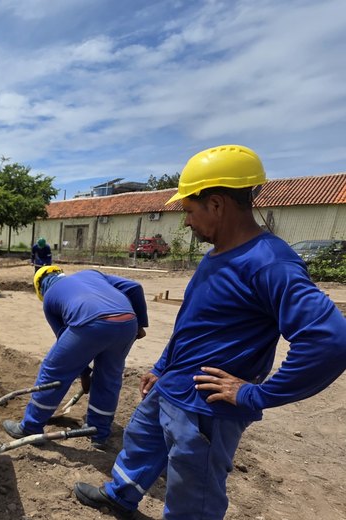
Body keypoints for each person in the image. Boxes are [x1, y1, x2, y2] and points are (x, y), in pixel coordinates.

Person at [74, 145, 346, 520]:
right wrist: (163, 364)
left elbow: (331, 340)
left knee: (193, 488)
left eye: (189, 210)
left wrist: (255, 395)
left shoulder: (270, 264)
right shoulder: (215, 255)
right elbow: (193, 322)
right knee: (141, 441)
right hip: (173, 385)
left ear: (216, 204)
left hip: (207, 408)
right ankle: (120, 496)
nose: (185, 222)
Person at [2, 267, 148, 449]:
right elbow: (134, 287)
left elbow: (66, 345)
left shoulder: (49, 298)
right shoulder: (92, 273)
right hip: (127, 323)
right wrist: (141, 324)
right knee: (109, 377)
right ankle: (99, 433)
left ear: (40, 288)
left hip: (90, 322)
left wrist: (84, 374)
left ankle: (30, 427)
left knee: (54, 370)